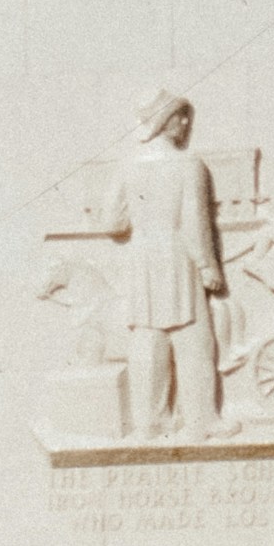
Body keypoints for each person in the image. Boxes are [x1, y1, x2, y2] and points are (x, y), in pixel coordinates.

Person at [104, 90, 223, 440]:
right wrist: (207, 266)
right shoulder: (188, 165)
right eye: (178, 116)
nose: (185, 123)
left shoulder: (127, 165)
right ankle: (202, 421)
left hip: (142, 255)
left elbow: (112, 222)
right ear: (162, 121)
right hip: (177, 254)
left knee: (147, 337)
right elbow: (194, 222)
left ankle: (150, 422)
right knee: (194, 337)